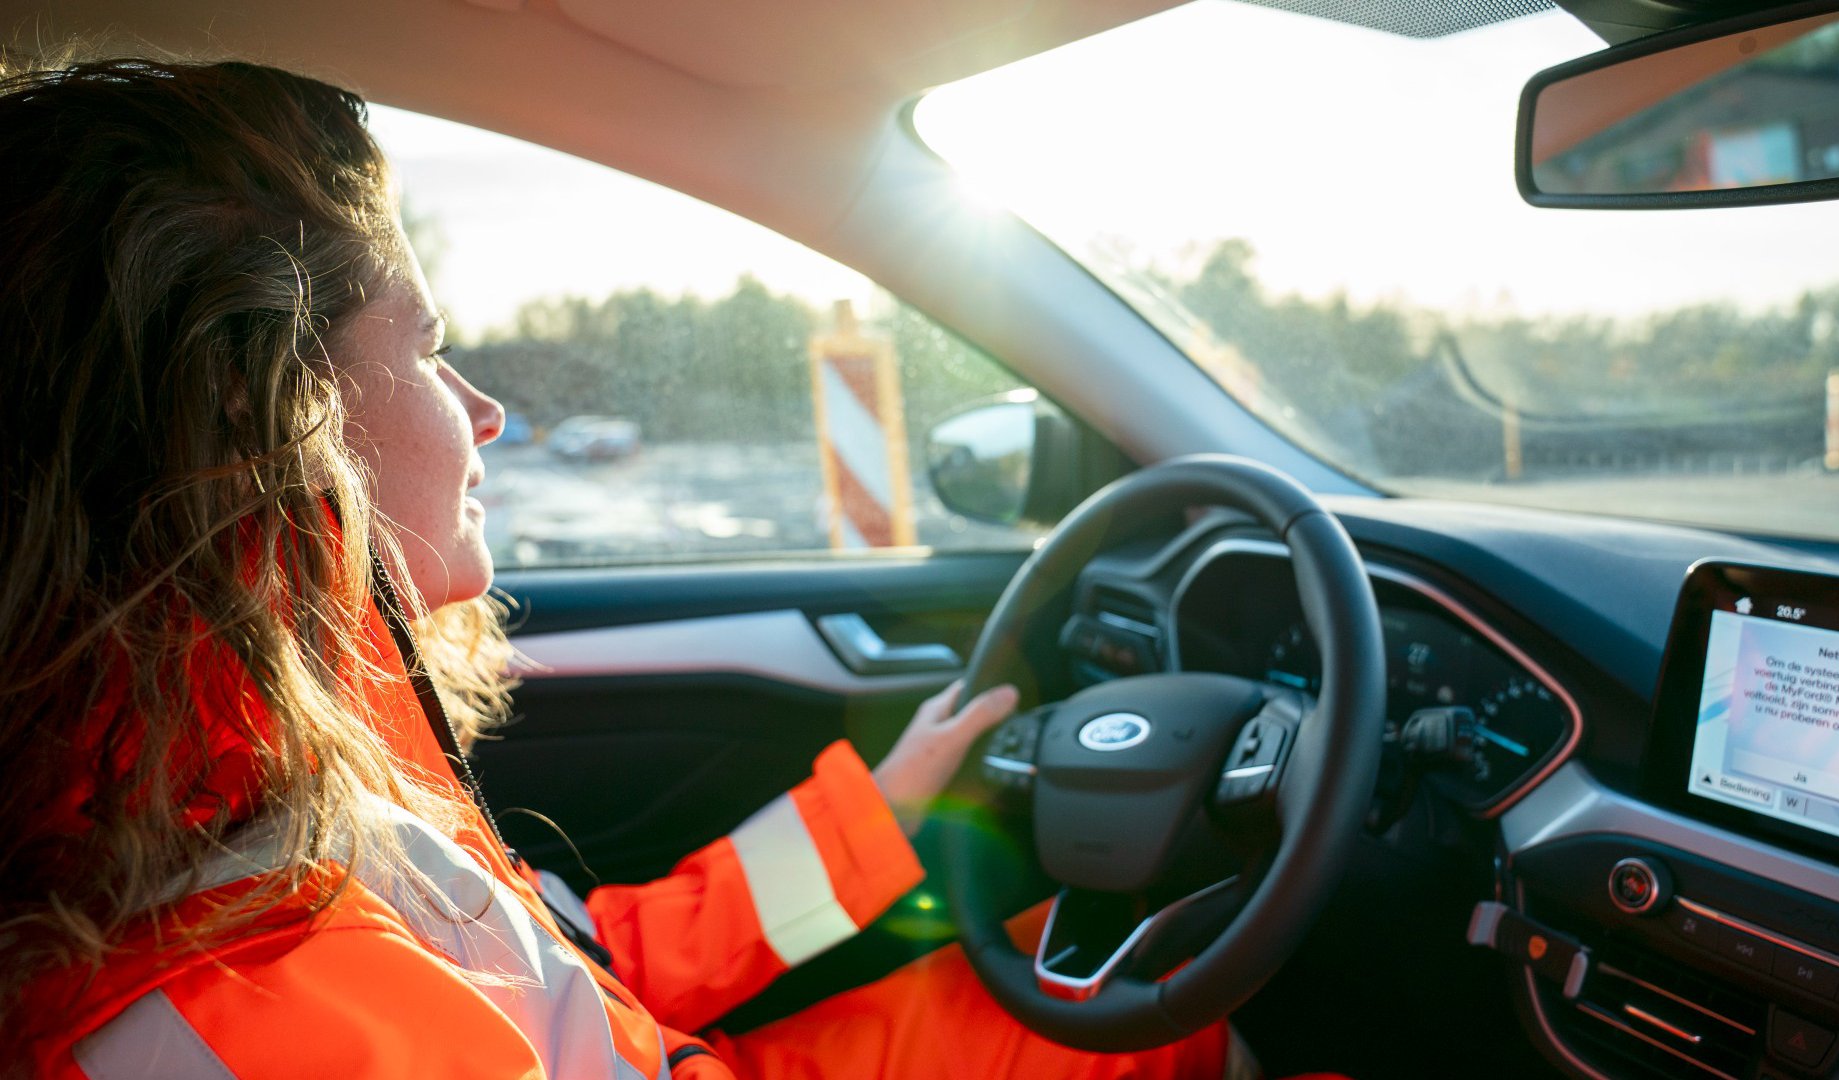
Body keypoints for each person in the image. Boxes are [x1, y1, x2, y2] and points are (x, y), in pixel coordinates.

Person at [0, 58, 1272, 1079]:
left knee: (1122, 1005)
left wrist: (877, 815)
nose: (484, 409)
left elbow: (578, 965)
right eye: (432, 349)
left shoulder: (240, 789)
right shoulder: (263, 1015)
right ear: (267, 419)